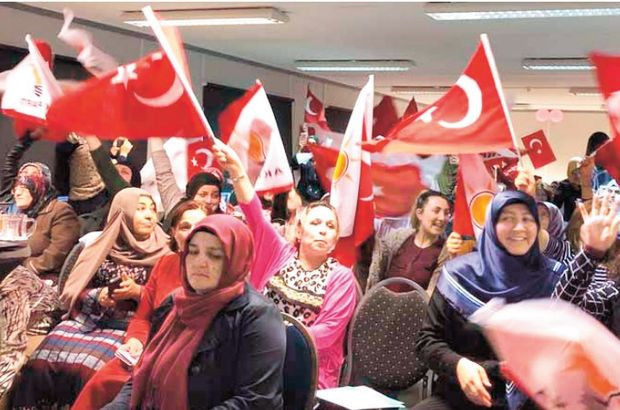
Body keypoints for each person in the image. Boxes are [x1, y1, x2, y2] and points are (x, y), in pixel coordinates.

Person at [413, 190, 605, 410]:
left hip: (528, 402)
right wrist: (459, 365)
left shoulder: (555, 278)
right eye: (507, 218)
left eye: (527, 219)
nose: (519, 227)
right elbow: (426, 341)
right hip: (458, 395)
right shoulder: (458, 275)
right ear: (491, 225)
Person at [213, 141, 357, 389]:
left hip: (305, 368)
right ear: (299, 231)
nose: (323, 230)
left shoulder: (341, 277)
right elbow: (254, 214)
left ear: (335, 241)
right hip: (254, 355)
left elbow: (327, 332)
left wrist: (271, 339)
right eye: (315, 223)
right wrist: (236, 170)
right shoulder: (278, 253)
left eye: (330, 226)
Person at [103, 214, 287, 409]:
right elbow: (141, 376)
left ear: (236, 260)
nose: (200, 262)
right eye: (193, 252)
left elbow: (256, 401)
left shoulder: (257, 317)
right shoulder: (175, 303)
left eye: (214, 255)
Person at [11, 188, 170, 408]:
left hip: (131, 328)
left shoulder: (166, 253)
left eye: (152, 209)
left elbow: (169, 302)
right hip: (88, 319)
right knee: (40, 362)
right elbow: (72, 290)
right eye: (141, 209)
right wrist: (98, 296)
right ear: (122, 213)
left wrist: (139, 293)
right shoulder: (99, 246)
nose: (150, 216)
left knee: (91, 369)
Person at [71, 201, 207, 409]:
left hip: (187, 361)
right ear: (173, 232)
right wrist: (135, 340)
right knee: (102, 382)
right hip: (149, 351)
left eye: (200, 227)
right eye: (185, 227)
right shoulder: (166, 264)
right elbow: (143, 317)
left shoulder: (214, 275)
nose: (192, 234)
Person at [0, 163, 80, 397]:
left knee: (12, 286)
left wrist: (28, 266)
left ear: (38, 187)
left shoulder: (59, 210)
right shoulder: (16, 214)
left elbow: (58, 252)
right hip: (15, 274)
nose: (16, 192)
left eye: (23, 187)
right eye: (15, 187)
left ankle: (6, 378)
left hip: (44, 282)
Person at [367, 190, 451, 292]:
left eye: (446, 213)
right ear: (419, 213)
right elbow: (375, 271)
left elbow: (433, 293)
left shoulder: (446, 254)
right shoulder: (396, 239)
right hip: (381, 300)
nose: (442, 218)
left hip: (418, 302)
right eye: (436, 211)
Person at [148, 138, 224, 226]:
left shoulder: (225, 222)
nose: (209, 201)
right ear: (191, 194)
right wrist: (154, 135)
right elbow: (163, 172)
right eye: (203, 195)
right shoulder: (176, 206)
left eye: (215, 196)